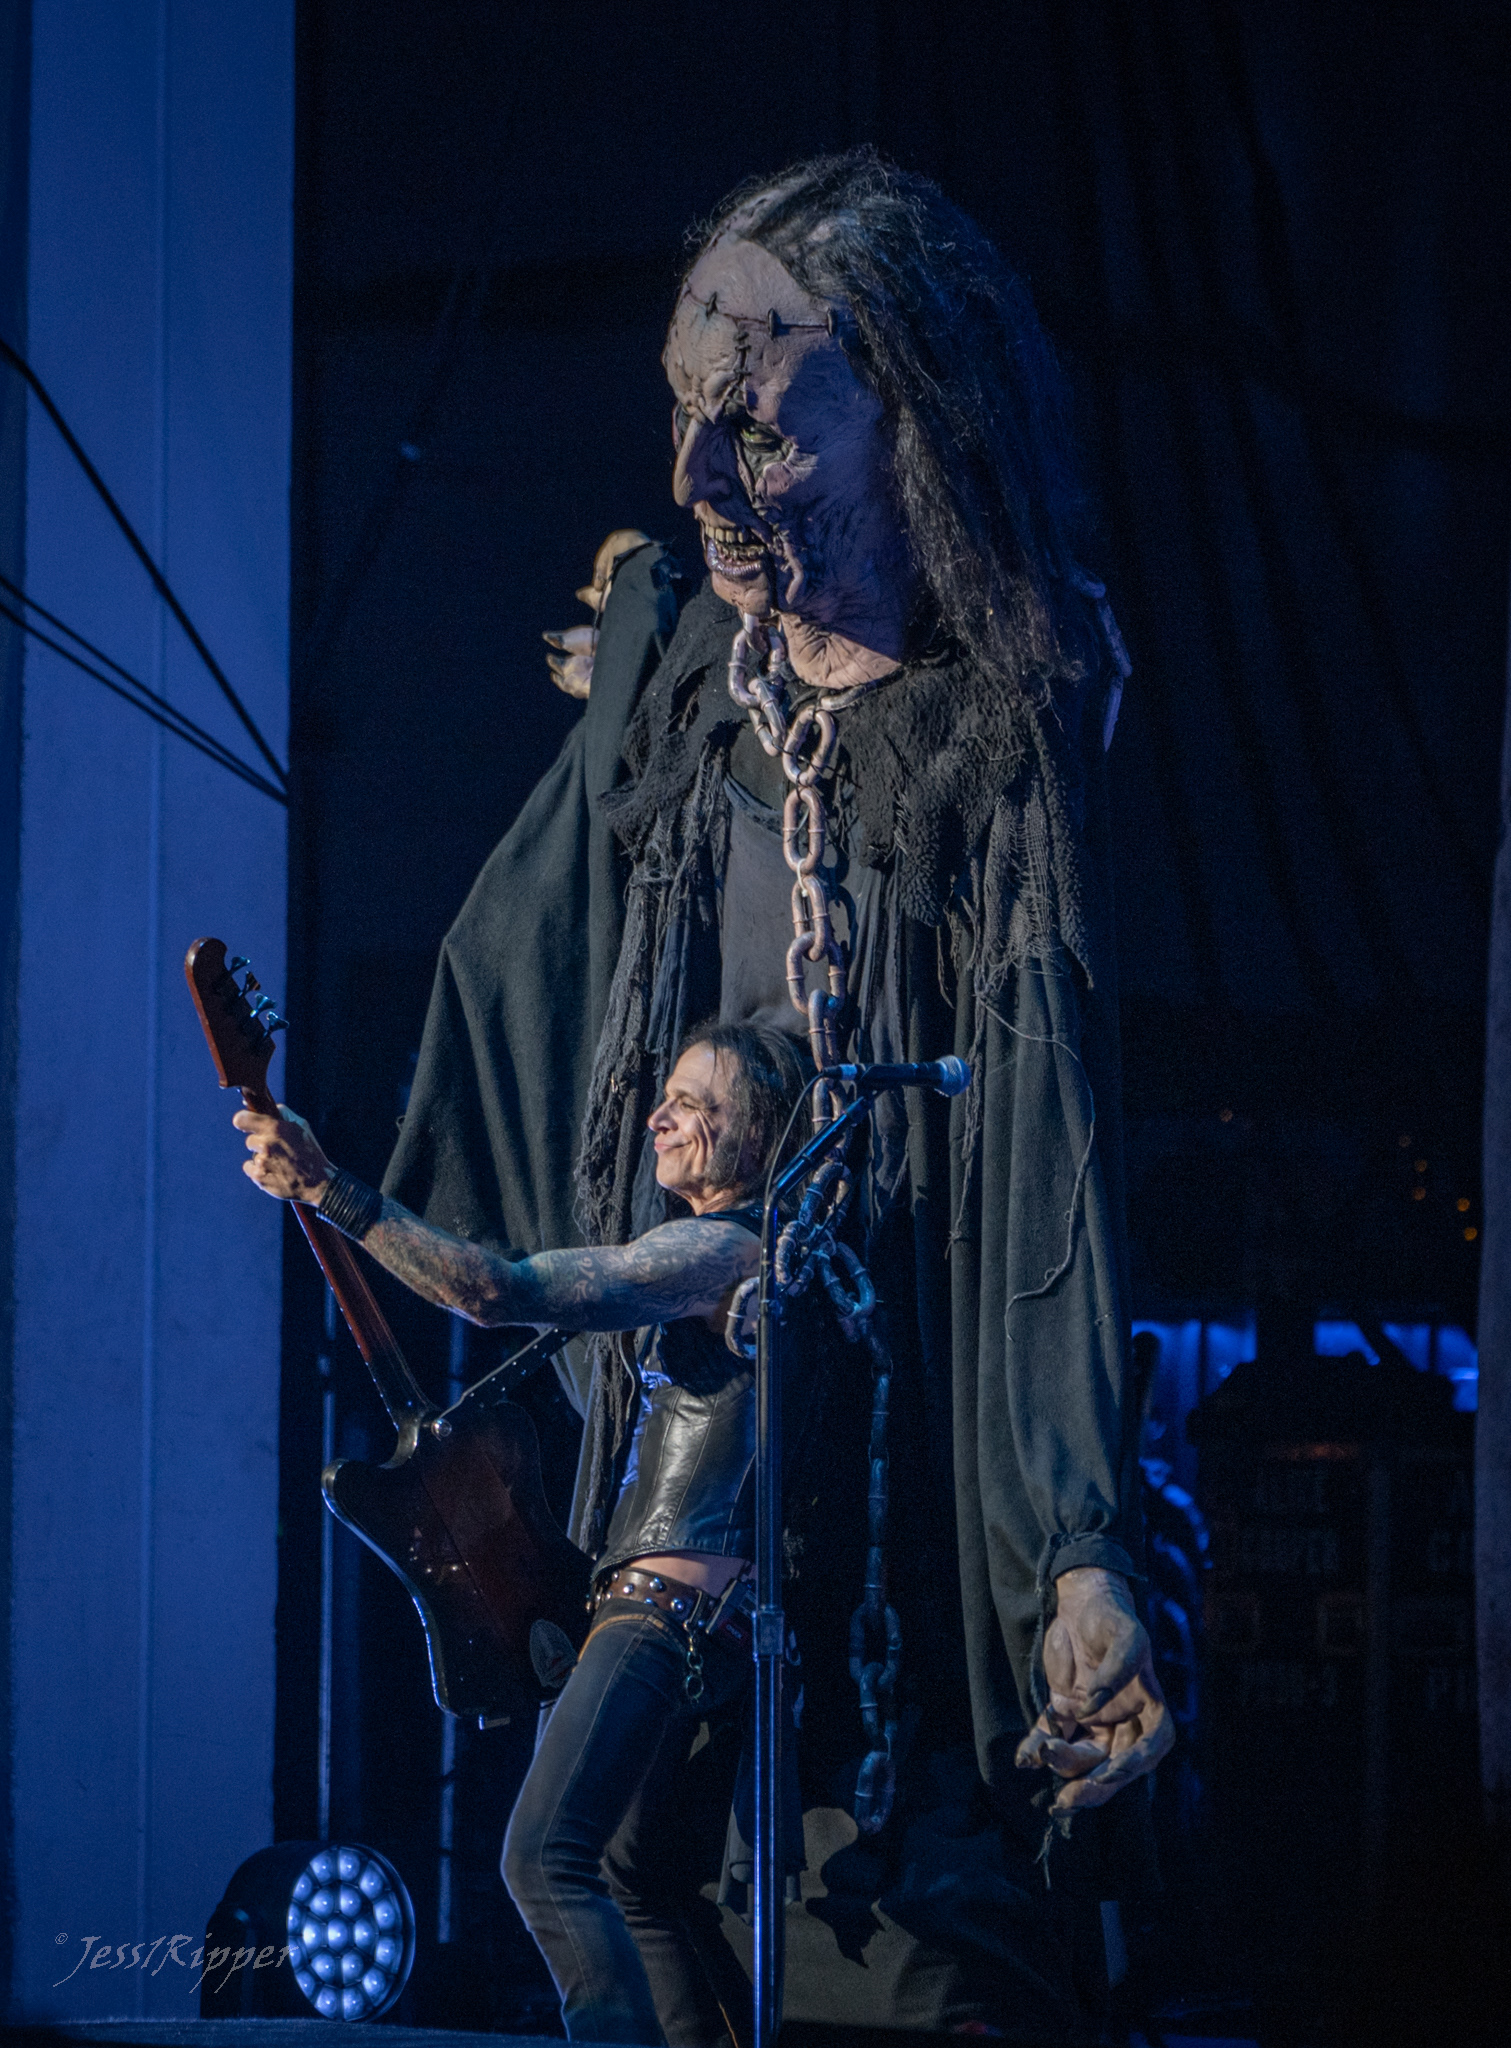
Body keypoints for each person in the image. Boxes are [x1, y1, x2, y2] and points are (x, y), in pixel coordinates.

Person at [379, 149, 1170, 2035]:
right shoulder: (692, 704)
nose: (694, 478)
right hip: (700, 1532)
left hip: (901, 1580)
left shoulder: (993, 746)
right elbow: (520, 973)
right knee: (619, 1901)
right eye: (679, 416)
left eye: (753, 434)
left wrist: (1077, 1555)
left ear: (916, 423)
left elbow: (1045, 1171)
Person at [235, 1020, 807, 2047]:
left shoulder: (725, 1247)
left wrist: (330, 1188)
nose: (657, 1118)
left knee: (542, 1858)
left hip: (664, 1615)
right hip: (686, 1616)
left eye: (691, 1103)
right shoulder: (734, 1252)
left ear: (757, 1132)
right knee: (626, 1877)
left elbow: (497, 1292)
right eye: (664, 1097)